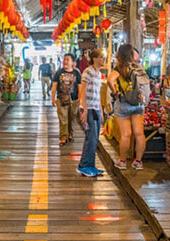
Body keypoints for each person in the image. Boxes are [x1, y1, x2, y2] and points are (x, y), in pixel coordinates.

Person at [107, 44, 148, 170]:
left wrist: (115, 92)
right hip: (138, 104)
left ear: (118, 55)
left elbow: (110, 80)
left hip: (124, 103)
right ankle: (138, 162)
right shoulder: (138, 68)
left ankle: (122, 161)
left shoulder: (119, 69)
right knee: (139, 134)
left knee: (126, 134)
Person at [77, 49, 106, 177]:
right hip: (88, 108)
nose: (103, 59)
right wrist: (84, 109)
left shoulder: (99, 74)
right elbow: (82, 90)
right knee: (91, 138)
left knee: (95, 139)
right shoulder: (88, 72)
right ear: (94, 58)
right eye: (101, 57)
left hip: (96, 108)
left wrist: (101, 109)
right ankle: (85, 165)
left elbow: (97, 93)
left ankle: (90, 165)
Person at [52, 53, 82, 146]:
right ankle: (63, 137)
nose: (65, 61)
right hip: (61, 99)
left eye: (67, 60)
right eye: (64, 59)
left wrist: (80, 98)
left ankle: (70, 134)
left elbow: (80, 86)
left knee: (72, 118)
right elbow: (54, 85)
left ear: (73, 62)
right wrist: (53, 98)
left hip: (74, 99)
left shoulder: (76, 73)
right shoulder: (58, 72)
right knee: (63, 119)